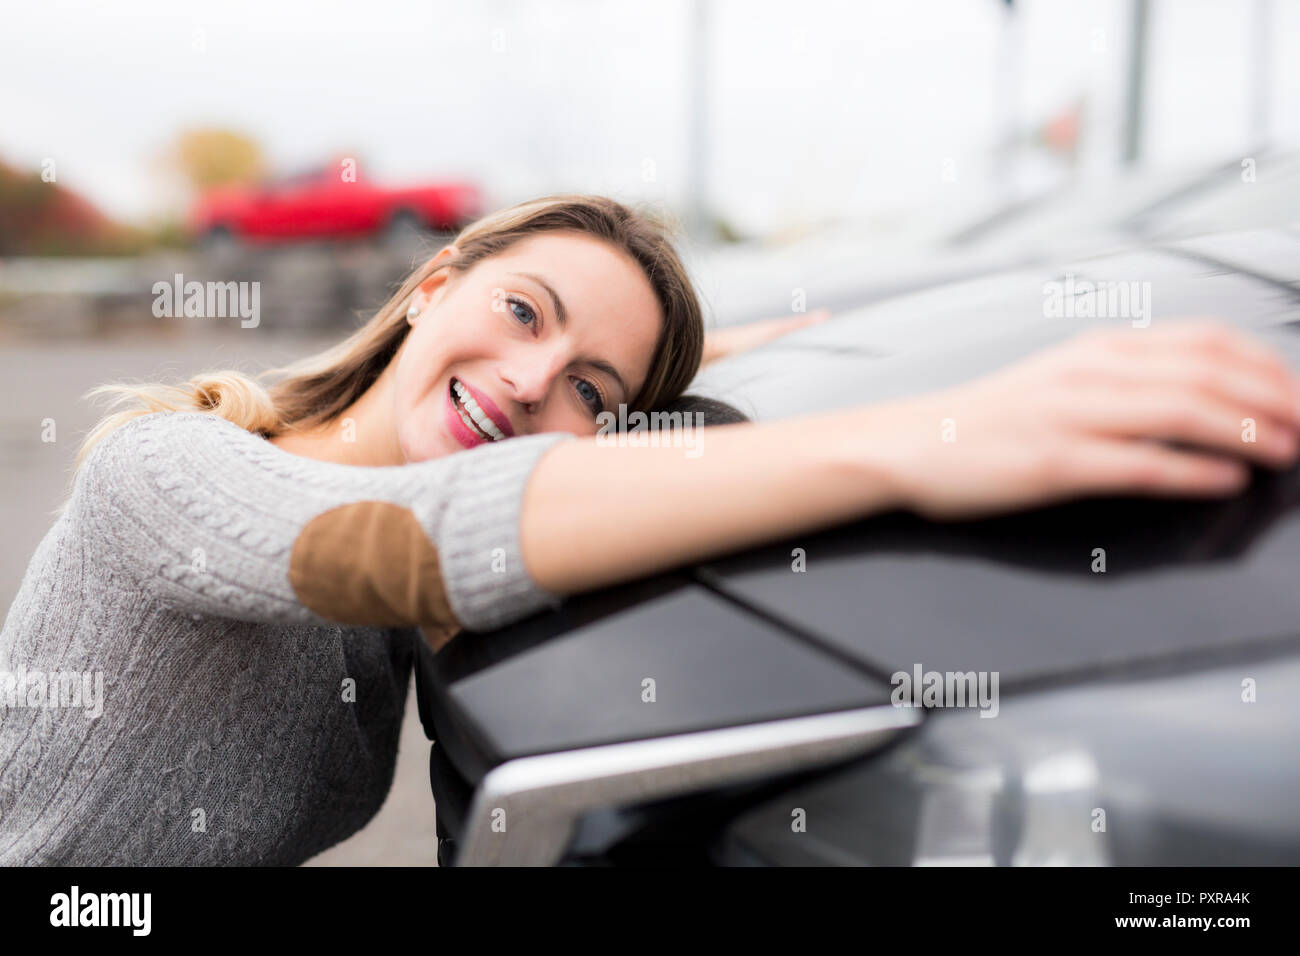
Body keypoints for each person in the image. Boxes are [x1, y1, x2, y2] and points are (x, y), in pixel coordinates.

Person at [2, 194, 1297, 865]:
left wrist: (855, 347)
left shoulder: (422, 467)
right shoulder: (166, 473)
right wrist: (928, 438)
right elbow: (388, 541)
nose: (531, 382)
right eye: (522, 313)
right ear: (430, 285)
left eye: (591, 392)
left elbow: (567, 394)